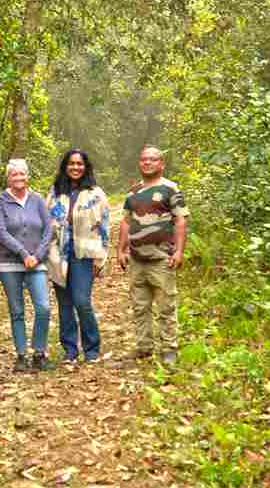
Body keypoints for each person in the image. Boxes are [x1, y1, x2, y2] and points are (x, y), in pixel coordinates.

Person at [116, 144, 189, 365]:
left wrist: (179, 251)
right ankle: (144, 347)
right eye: (144, 159)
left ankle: (169, 350)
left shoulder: (171, 188)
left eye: (153, 159)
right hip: (137, 259)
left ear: (161, 164)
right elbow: (126, 221)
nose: (147, 162)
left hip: (161, 257)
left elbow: (180, 220)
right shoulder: (133, 191)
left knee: (166, 306)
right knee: (140, 306)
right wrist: (120, 250)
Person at [0, 157, 55, 372]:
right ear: (8, 178)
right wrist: (22, 253)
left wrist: (36, 255)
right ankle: (21, 355)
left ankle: (39, 352)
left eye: (22, 174)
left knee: (43, 307)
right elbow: (0, 231)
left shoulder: (37, 199)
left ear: (27, 176)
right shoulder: (0, 201)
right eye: (14, 174)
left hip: (36, 262)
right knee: (17, 310)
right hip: (9, 263)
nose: (18, 178)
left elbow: (48, 230)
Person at [47, 148, 109, 365]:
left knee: (82, 301)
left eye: (79, 164)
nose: (75, 167)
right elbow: (47, 224)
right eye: (71, 164)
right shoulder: (55, 192)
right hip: (58, 255)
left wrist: (100, 258)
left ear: (86, 167)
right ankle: (70, 350)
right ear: (65, 167)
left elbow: (104, 228)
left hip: (85, 254)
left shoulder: (96, 193)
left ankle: (92, 349)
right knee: (64, 304)